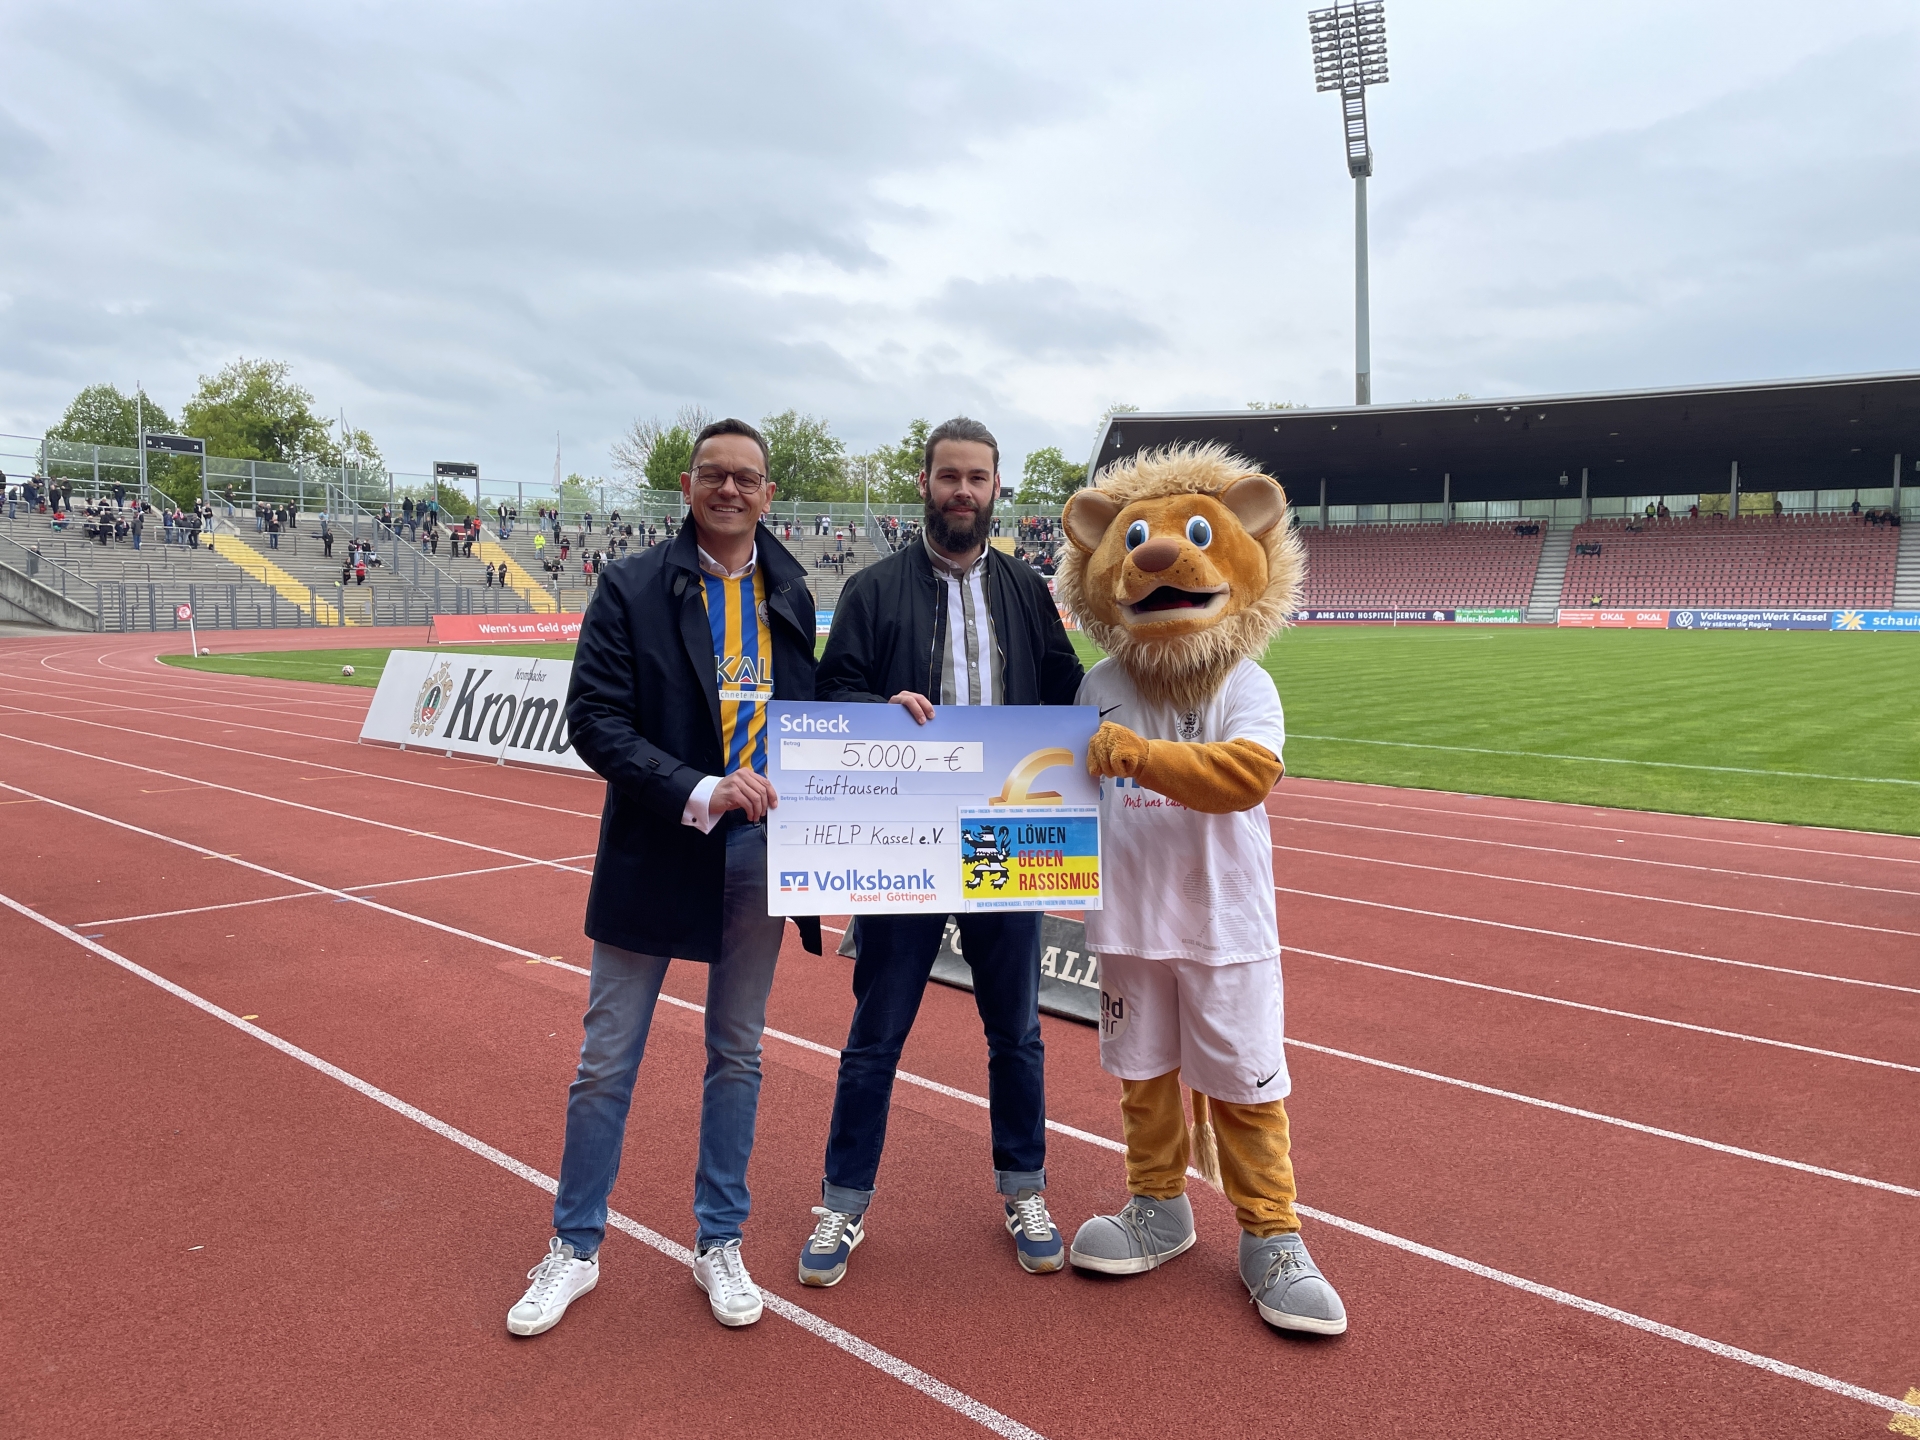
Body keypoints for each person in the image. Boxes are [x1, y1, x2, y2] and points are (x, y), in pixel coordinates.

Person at [507, 417, 820, 1338]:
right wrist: (699, 789)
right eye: (714, 474)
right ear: (687, 486)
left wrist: (885, 710)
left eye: (747, 478)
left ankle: (720, 1239)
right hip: (658, 843)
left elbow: (813, 712)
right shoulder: (632, 584)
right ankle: (574, 1246)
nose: (730, 489)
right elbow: (595, 721)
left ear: (768, 493)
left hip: (759, 854)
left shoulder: (792, 590)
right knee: (607, 1057)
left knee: (739, 1052)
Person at [799, 417, 1084, 1289]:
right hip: (906, 833)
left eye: (977, 478)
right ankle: (843, 1203)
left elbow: (1070, 687)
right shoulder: (873, 588)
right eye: (949, 476)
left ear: (996, 489)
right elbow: (831, 690)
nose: (963, 491)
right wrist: (880, 707)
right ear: (923, 484)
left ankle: (1025, 1188)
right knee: (876, 1032)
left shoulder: (1026, 589)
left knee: (1017, 1032)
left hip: (1007, 828)